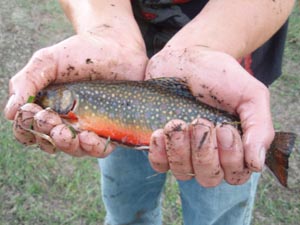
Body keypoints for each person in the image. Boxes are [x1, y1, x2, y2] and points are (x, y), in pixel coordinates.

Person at [4, 0, 295, 224]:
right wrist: (105, 28)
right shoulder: (81, 101)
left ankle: (267, 148)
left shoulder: (75, 108)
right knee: (126, 212)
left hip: (224, 85)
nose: (42, 100)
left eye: (47, 97)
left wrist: (205, 46)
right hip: (124, 98)